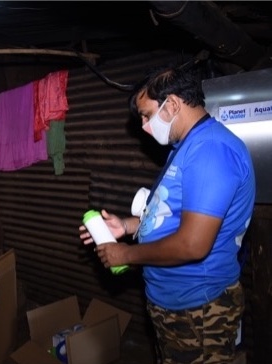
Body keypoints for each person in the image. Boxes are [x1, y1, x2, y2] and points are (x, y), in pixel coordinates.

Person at [79, 66, 255, 364]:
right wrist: (128, 225)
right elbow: (172, 213)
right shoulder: (186, 146)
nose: (145, 127)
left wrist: (125, 255)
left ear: (172, 104)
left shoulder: (211, 150)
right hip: (176, 302)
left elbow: (192, 244)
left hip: (199, 308)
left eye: (147, 115)